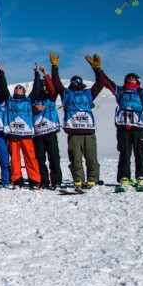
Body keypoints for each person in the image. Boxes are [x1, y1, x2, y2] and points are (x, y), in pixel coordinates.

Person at [96, 56, 143, 191]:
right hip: (123, 128)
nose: (131, 79)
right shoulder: (120, 90)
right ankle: (124, 177)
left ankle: (141, 177)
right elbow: (106, 82)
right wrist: (97, 69)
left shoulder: (142, 92)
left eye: (134, 78)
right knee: (124, 153)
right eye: (129, 78)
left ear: (138, 81)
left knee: (140, 153)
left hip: (139, 128)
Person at [50, 52, 104, 189]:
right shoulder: (67, 94)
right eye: (74, 82)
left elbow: (100, 83)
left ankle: (92, 178)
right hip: (73, 132)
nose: (76, 83)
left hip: (88, 131)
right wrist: (54, 67)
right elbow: (56, 84)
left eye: (78, 81)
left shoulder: (88, 93)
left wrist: (96, 68)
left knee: (91, 158)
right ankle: (78, 179)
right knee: (75, 159)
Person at [0, 64, 42, 190]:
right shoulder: (9, 100)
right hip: (13, 134)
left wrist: (37, 74)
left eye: (20, 88)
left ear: (24, 91)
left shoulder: (29, 100)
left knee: (30, 158)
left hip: (26, 134)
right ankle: (17, 180)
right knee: (15, 159)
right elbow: (3, 88)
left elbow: (36, 88)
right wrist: (2, 73)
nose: (18, 88)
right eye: (17, 88)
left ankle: (34, 180)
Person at [31, 65, 62, 190]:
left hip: (50, 131)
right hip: (38, 133)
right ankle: (44, 181)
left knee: (54, 157)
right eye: (41, 86)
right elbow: (27, 112)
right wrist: (35, 109)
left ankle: (56, 181)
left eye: (45, 86)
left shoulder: (51, 97)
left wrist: (45, 73)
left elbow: (52, 88)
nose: (43, 88)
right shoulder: (33, 99)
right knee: (40, 159)